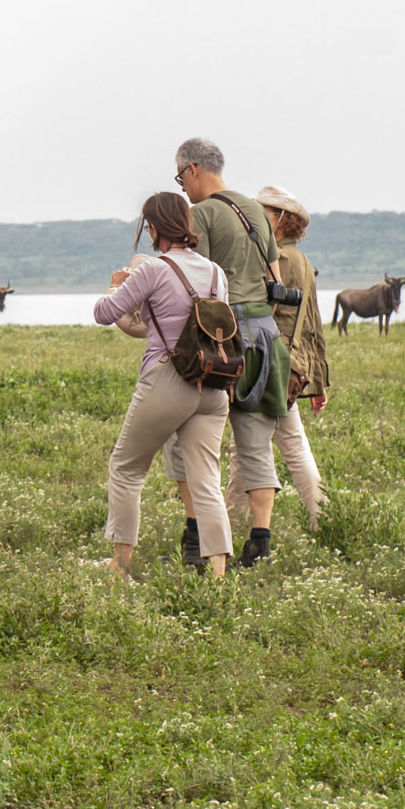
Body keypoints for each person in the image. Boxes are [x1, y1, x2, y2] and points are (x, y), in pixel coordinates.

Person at [164, 137, 294, 568]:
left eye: (180, 176)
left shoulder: (199, 214)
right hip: (263, 332)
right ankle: (260, 542)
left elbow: (195, 283)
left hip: (219, 336)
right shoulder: (255, 209)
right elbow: (275, 277)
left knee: (188, 435)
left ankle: (195, 535)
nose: (181, 185)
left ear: (194, 169)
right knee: (256, 442)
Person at [93, 193, 235, 579]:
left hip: (168, 380)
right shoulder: (217, 273)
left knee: (126, 469)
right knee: (207, 480)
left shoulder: (153, 270)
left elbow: (105, 314)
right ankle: (219, 574)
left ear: (153, 228)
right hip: (212, 384)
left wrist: (114, 286)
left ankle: (119, 567)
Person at [256, 185, 328, 523]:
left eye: (266, 213)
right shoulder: (302, 259)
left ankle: (232, 528)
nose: (258, 219)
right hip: (293, 364)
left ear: (284, 220)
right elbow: (314, 323)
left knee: (248, 448)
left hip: (272, 362)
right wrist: (317, 379)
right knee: (293, 444)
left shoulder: (280, 258)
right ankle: (323, 517)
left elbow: (263, 313)